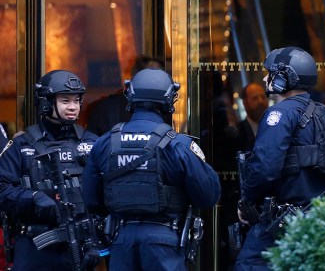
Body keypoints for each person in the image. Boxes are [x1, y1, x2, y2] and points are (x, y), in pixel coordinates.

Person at [81, 68, 221, 271]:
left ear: (130, 95)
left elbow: (91, 200)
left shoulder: (105, 143)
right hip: (164, 242)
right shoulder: (178, 145)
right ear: (169, 99)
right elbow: (208, 195)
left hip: (121, 240)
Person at [235, 47, 325, 271]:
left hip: (281, 224)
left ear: (286, 78)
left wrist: (246, 203)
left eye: (271, 74)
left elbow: (265, 167)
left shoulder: (281, 113)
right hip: (320, 221)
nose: (266, 78)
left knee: (249, 264)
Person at [0, 70, 100, 271]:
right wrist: (34, 198)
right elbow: (2, 190)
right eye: (65, 101)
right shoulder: (21, 145)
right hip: (34, 244)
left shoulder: (92, 143)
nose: (73, 107)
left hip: (81, 244)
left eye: (76, 101)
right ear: (47, 103)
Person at [83, 54, 165, 136]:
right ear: (135, 78)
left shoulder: (168, 111)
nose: (157, 83)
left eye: (161, 78)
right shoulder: (105, 109)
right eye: (152, 78)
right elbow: (92, 145)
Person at [237, 82, 269, 152]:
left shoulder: (277, 127)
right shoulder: (237, 133)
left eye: (263, 97)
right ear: (245, 103)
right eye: (255, 98)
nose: (261, 101)